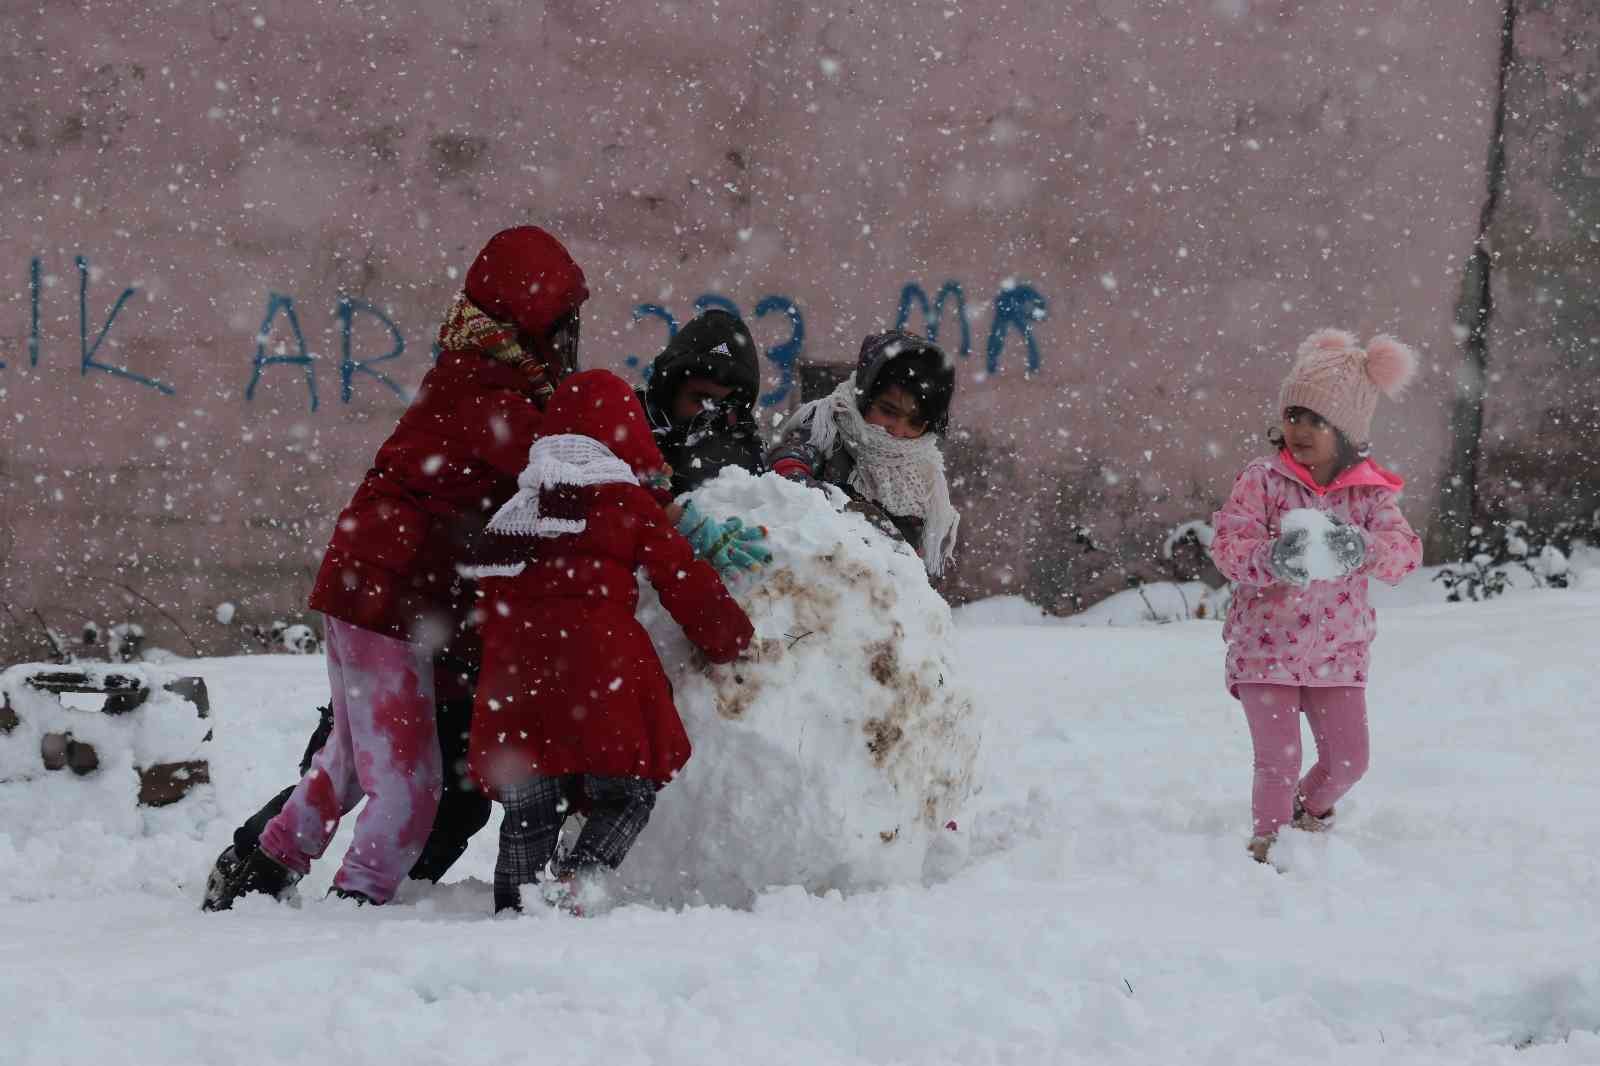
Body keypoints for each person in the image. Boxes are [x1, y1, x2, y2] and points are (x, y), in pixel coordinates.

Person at [204, 225, 590, 909]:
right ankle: (356, 910)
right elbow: (567, 478)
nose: (567, 341)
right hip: (387, 596)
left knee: (348, 766)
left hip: (371, 587)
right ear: (526, 321)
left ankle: (259, 869)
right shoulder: (489, 393)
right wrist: (658, 499)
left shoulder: (479, 376)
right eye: (560, 326)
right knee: (411, 789)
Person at [461, 370, 755, 915]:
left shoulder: (517, 510)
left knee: (529, 810)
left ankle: (512, 909)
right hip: (604, 677)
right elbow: (681, 578)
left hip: (519, 684)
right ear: (624, 436)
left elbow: (489, 602)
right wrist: (728, 637)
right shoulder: (626, 503)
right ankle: (581, 878)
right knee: (629, 791)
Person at [1208, 329, 1424, 864]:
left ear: (1347, 430)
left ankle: (1306, 815)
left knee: (1349, 760)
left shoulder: (1370, 494)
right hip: (1265, 647)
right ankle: (1271, 849)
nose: (1299, 429)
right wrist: (1271, 558)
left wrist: (1362, 548)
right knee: (1277, 762)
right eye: (1293, 416)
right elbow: (1229, 546)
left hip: (1337, 651)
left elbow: (1406, 554)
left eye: (1316, 420)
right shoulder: (1263, 480)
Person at [766, 329, 959, 577]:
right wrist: (833, 508)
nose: (897, 431)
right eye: (889, 411)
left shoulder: (923, 471)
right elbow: (790, 462)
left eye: (915, 423)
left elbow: (918, 566)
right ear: (865, 395)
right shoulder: (828, 424)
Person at [639, 308, 766, 497]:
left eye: (725, 405)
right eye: (702, 400)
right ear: (670, 394)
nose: (710, 414)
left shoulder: (744, 450)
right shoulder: (631, 434)